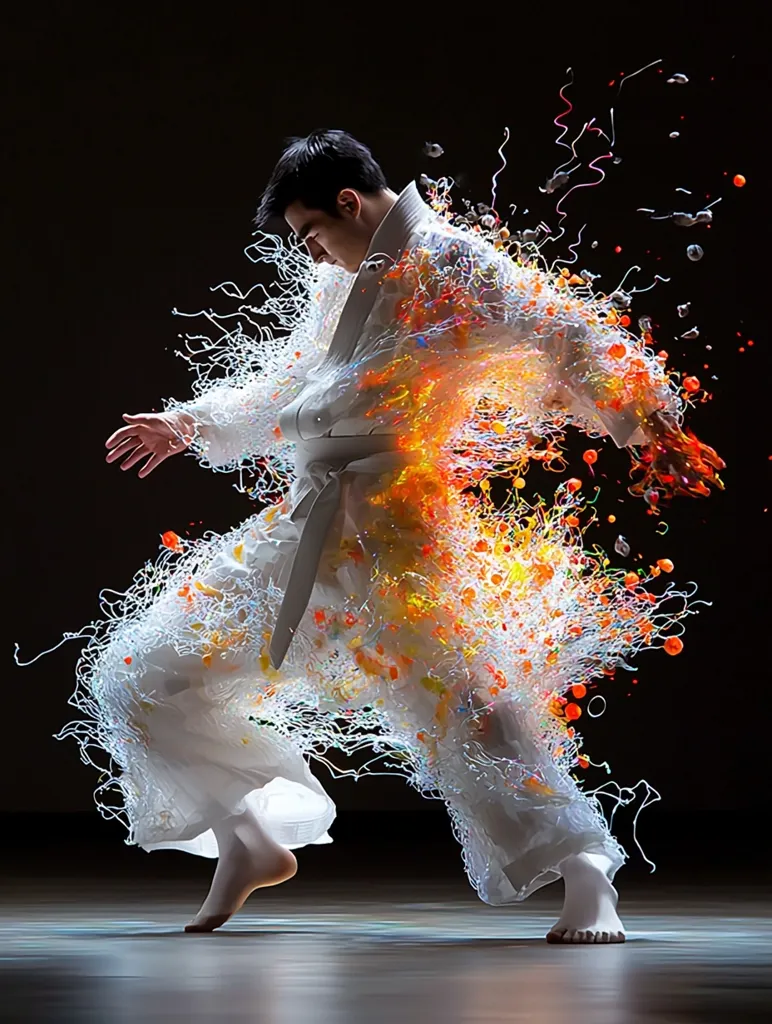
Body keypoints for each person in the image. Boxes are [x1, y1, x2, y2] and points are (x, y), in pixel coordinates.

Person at [68, 130, 723, 941]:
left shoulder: (457, 262)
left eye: (313, 233)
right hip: (308, 518)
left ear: (349, 202)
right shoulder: (339, 281)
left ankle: (589, 876)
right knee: (141, 676)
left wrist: (646, 417)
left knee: (472, 712)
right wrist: (188, 422)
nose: (313, 253)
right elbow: (292, 382)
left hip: (398, 528)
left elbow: (561, 330)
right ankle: (248, 838)